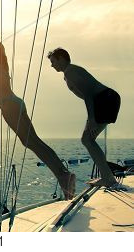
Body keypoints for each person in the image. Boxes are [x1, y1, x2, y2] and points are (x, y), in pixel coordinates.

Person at [0, 13, 75, 199]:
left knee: (32, 142)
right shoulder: (1, 61)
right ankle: (63, 175)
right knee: (34, 142)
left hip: (9, 105)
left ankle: (63, 176)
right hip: (15, 102)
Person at [47, 48, 121, 187]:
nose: (52, 65)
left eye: (53, 61)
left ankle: (108, 178)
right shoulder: (69, 72)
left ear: (61, 58)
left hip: (105, 99)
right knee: (88, 139)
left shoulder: (70, 72)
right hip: (106, 99)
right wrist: (91, 118)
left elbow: (88, 94)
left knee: (87, 139)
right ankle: (107, 177)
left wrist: (91, 118)